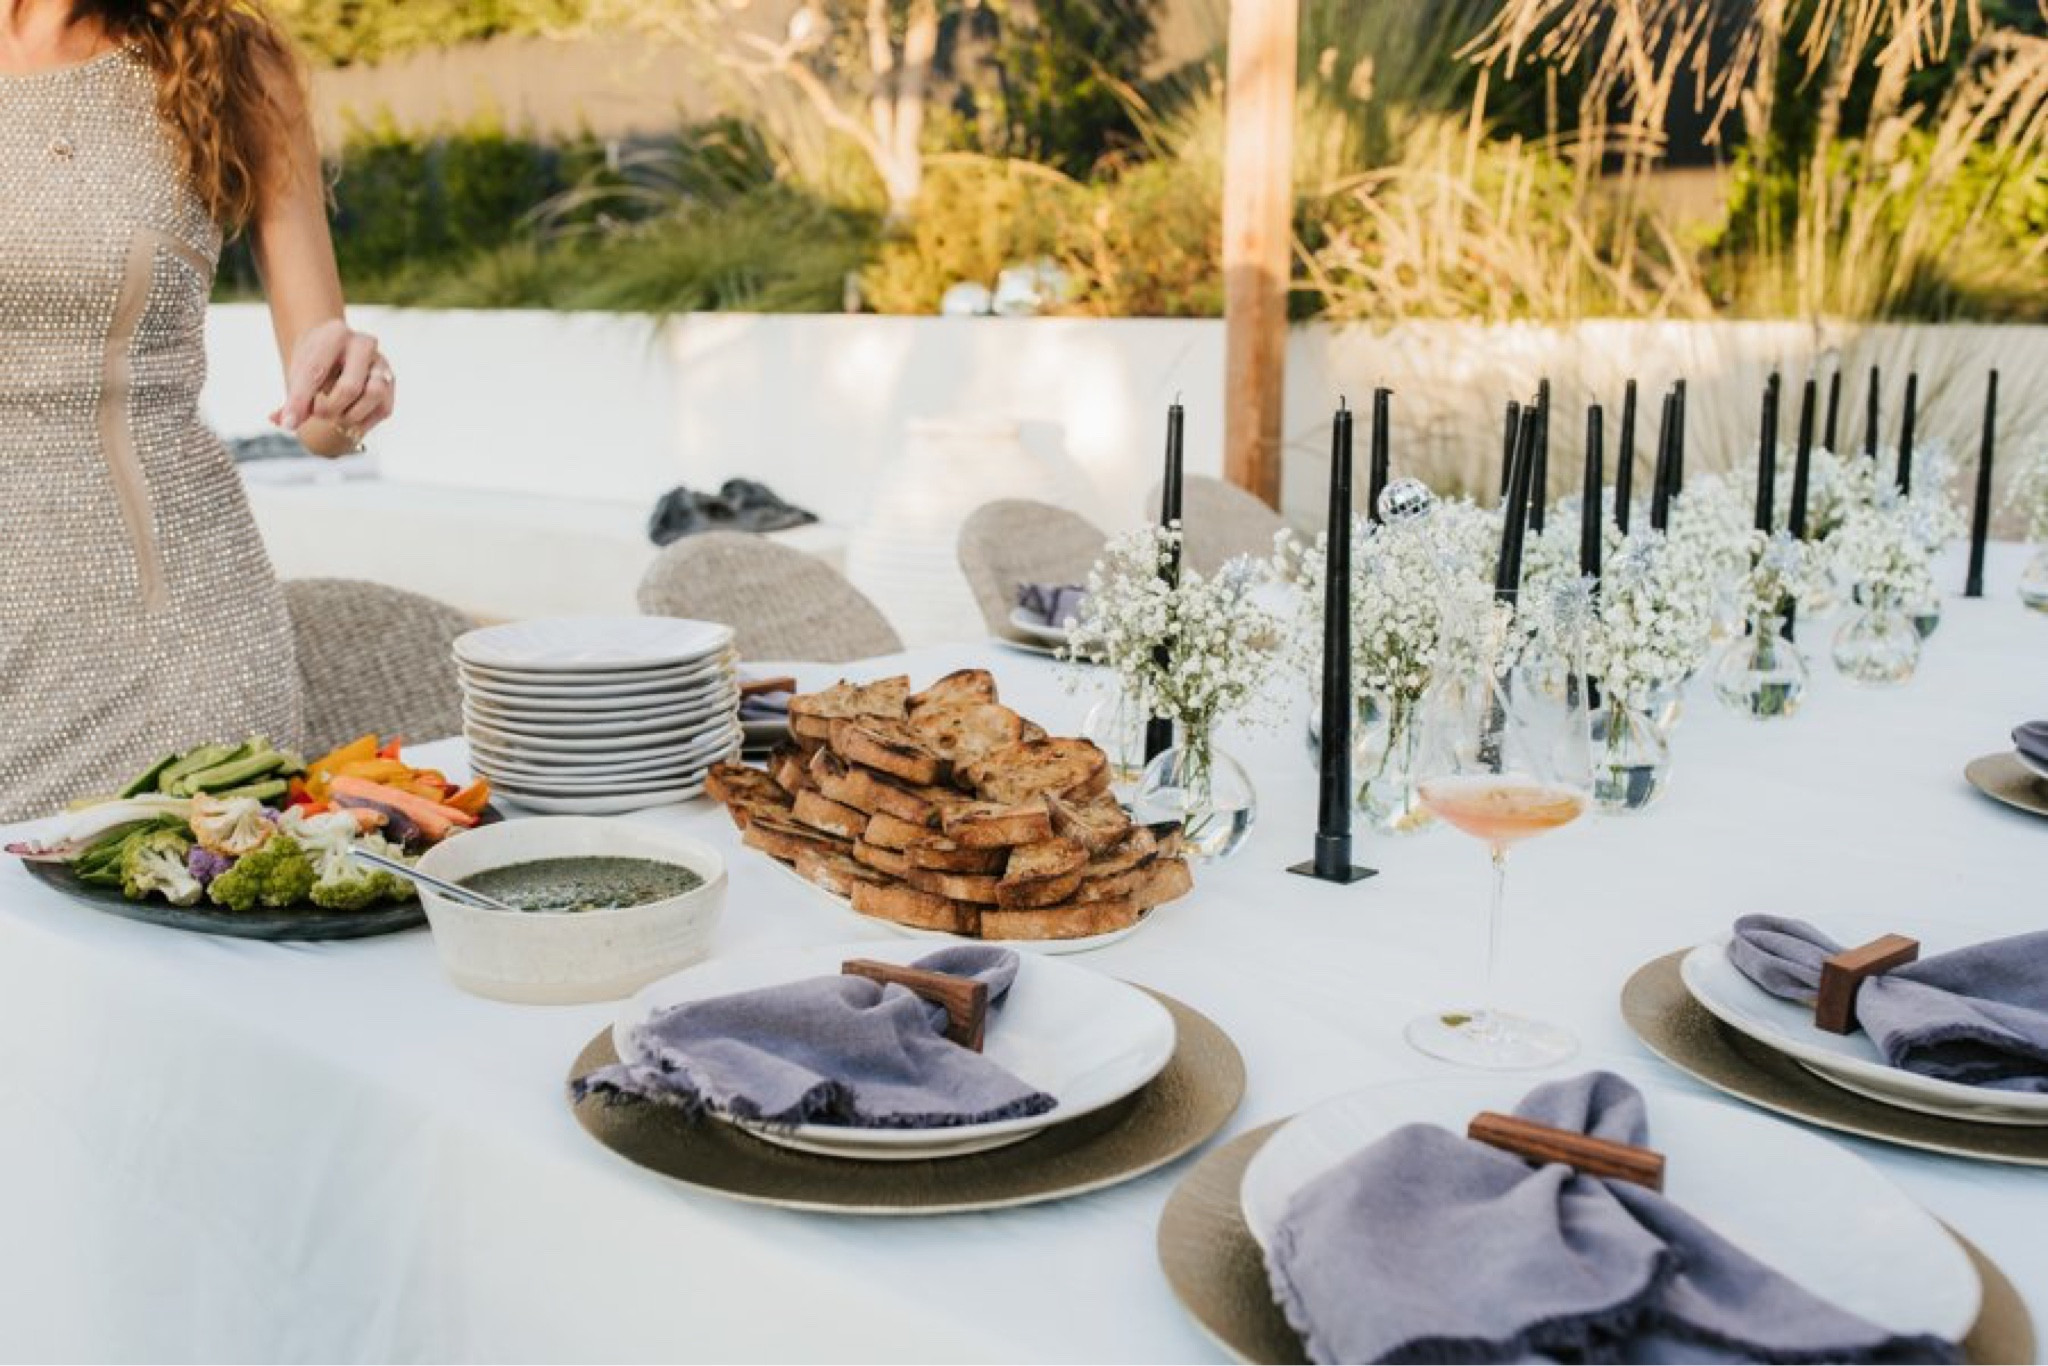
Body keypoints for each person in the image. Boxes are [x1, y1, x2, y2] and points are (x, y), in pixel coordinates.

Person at [0, 0, 391, 820]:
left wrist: (350, 388)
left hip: (177, 650)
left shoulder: (232, 61)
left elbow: (319, 421)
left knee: (185, 933)